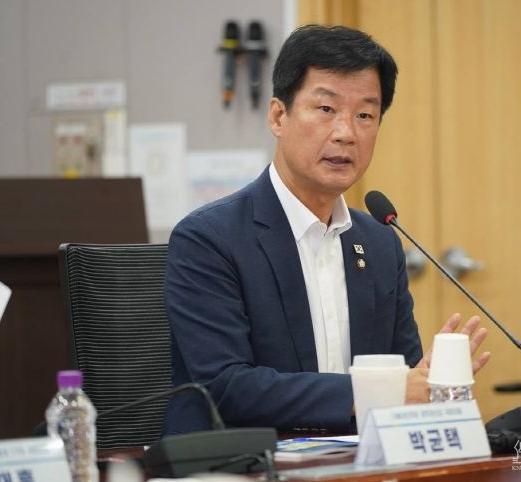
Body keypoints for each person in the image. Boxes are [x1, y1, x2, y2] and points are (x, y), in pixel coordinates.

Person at [163, 24, 490, 435]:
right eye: (325, 109)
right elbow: (225, 387)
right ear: (278, 116)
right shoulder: (208, 239)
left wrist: (423, 383)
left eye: (365, 115)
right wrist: (380, 390)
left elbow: (402, 380)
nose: (346, 133)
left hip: (359, 460)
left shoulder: (379, 242)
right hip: (247, 461)